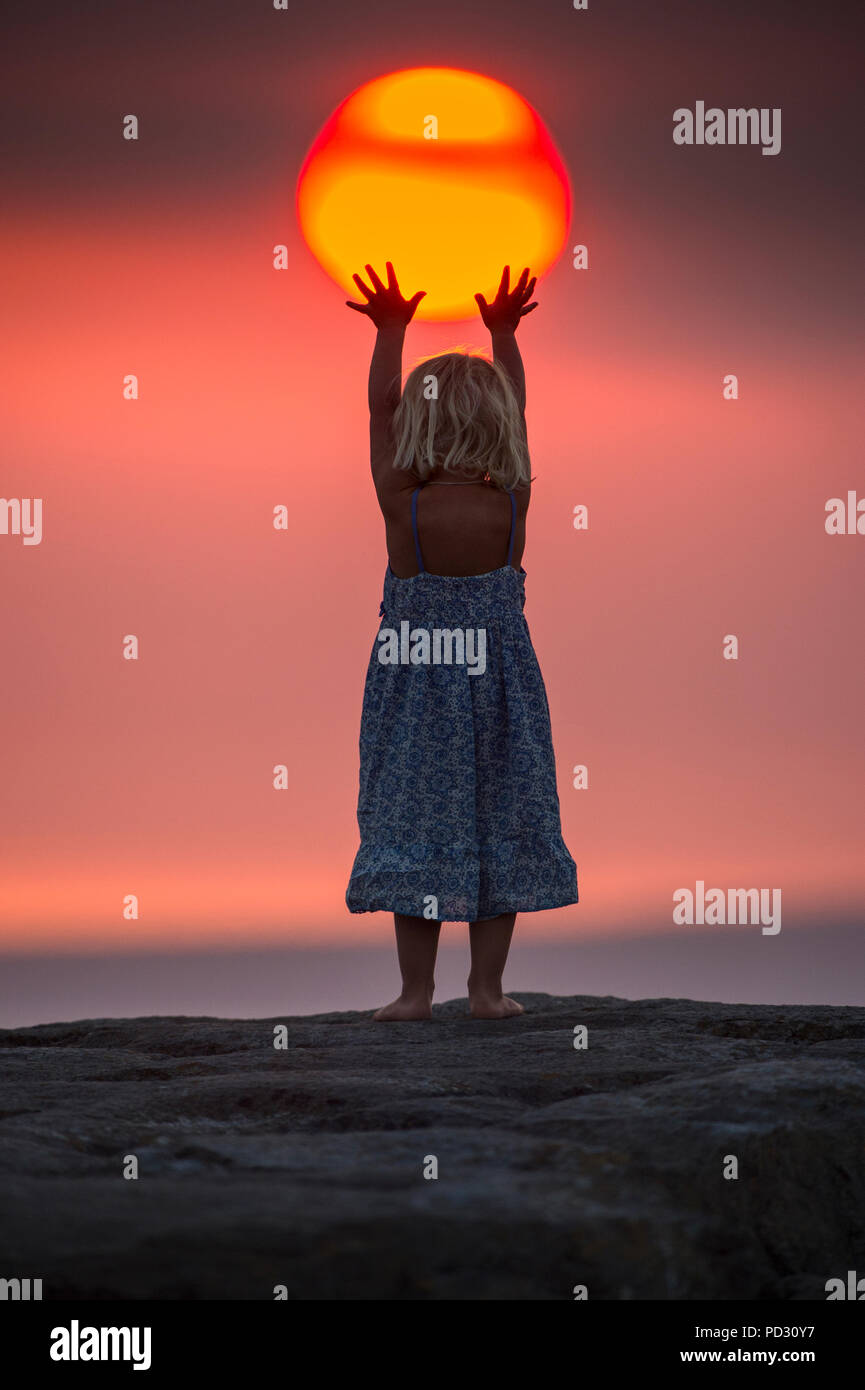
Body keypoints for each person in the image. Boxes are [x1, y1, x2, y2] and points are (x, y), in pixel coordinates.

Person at [345, 262, 578, 1020]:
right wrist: (503, 335)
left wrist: (390, 331)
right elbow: (522, 403)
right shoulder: (512, 495)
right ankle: (487, 990)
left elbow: (380, 412)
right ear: (499, 423)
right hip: (501, 685)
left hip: (415, 686)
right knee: (499, 817)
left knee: (414, 824)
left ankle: (415, 992)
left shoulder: (399, 501)